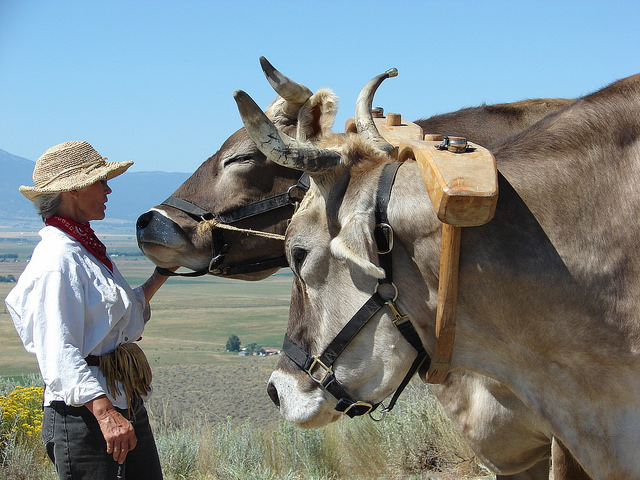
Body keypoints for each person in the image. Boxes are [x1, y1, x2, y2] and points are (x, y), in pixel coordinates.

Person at [5, 141, 176, 480]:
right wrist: (104, 413)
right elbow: (57, 351)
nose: (109, 189)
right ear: (74, 190)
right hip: (85, 414)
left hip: (119, 399)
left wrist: (163, 272)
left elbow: (118, 319)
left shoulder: (84, 248)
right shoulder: (57, 259)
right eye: (101, 181)